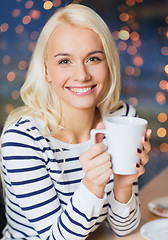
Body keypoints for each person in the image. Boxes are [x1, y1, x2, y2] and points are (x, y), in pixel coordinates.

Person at [0, 3, 151, 240]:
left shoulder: (122, 119)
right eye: (64, 61)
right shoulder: (23, 139)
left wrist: (124, 182)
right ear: (46, 71)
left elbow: (123, 228)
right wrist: (92, 184)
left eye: (93, 58)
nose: (81, 75)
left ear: (108, 64)